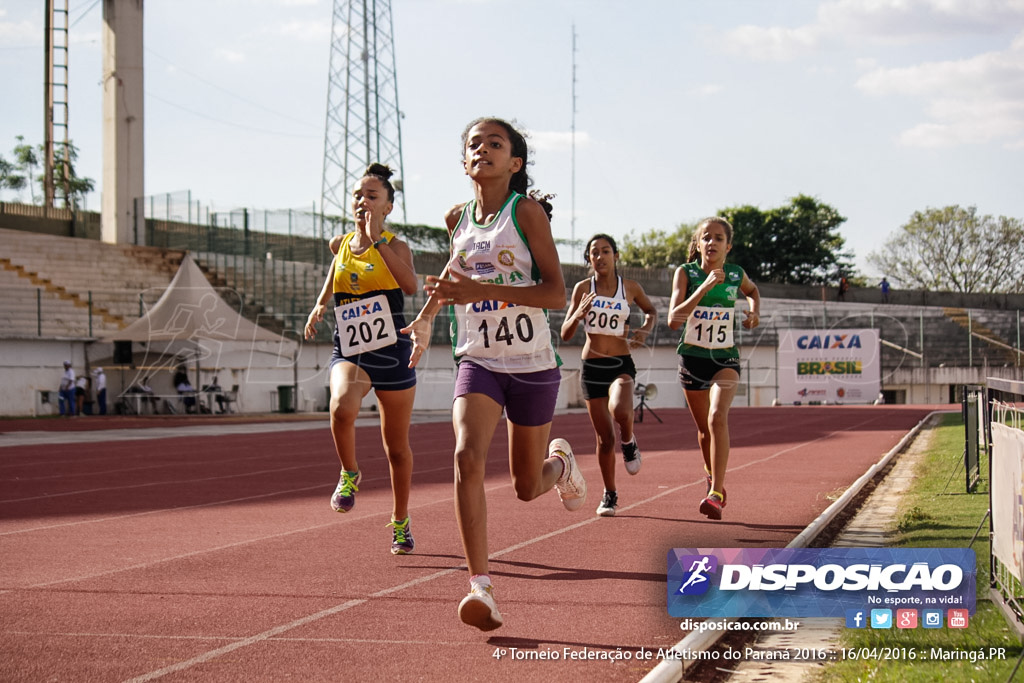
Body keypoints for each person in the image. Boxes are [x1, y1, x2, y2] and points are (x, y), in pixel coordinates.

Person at [402, 117, 586, 631]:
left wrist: (494, 293)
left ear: (515, 163)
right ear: (464, 162)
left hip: (532, 364)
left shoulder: (524, 212)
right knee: (465, 453)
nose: (482, 149)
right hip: (478, 358)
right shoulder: (456, 218)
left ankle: (562, 462)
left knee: (527, 486)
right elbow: (453, 282)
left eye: (495, 144)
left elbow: (554, 293)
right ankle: (480, 587)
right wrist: (423, 320)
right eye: (474, 144)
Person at [305, 163, 419, 555]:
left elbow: (411, 286)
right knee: (341, 408)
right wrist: (320, 305)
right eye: (358, 195)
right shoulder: (340, 244)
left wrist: (377, 243)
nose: (362, 201)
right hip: (352, 348)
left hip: (392, 352)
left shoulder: (395, 244)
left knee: (396, 448)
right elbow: (334, 272)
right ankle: (350, 472)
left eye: (372, 197)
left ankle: (400, 521)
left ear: (387, 207)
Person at [668, 216, 760, 521]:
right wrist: (704, 288)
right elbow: (673, 320)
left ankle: (717, 493)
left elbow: (753, 291)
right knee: (703, 430)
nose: (712, 243)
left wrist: (753, 311)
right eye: (706, 237)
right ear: (698, 244)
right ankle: (711, 475)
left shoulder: (736, 274)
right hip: (693, 359)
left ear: (728, 246)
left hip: (725, 360)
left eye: (718, 238)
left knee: (717, 416)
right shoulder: (686, 273)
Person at [560, 233, 657, 517]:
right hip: (592, 368)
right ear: (589, 259)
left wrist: (645, 329)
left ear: (615, 255)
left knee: (620, 409)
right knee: (603, 439)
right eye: (594, 253)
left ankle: (629, 441)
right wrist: (578, 313)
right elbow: (565, 334)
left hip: (620, 363)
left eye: (605, 251)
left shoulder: (630, 288)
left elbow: (651, 311)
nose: (600, 257)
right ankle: (610, 494)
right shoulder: (582, 288)